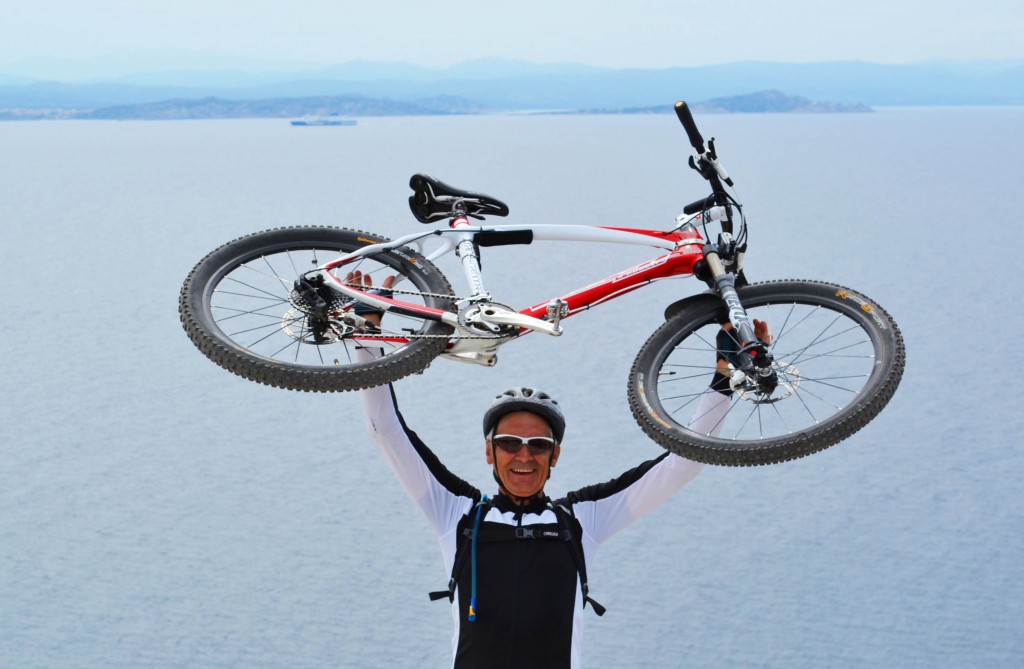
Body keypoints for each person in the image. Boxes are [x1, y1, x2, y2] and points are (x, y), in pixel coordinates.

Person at [352, 271, 768, 669]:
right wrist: (367, 336)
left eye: (538, 446)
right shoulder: (456, 513)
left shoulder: (581, 520)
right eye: (509, 443)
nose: (524, 456)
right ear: (489, 453)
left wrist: (723, 378)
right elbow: (385, 429)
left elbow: (685, 462)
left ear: (555, 456)